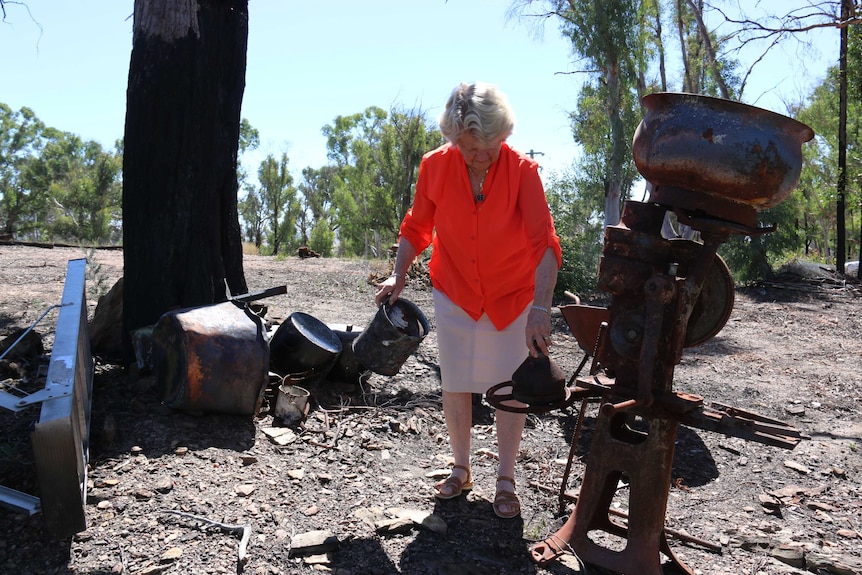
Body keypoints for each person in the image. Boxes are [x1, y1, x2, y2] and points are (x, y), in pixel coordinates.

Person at [375, 81, 562, 519]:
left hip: (511, 294)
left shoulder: (524, 173)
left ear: (504, 134)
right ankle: (461, 468)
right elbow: (417, 227)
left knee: (507, 386)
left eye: (487, 146)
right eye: (468, 147)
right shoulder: (435, 167)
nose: (479, 156)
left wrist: (540, 307)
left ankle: (506, 478)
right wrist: (398, 274)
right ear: (454, 139)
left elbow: (545, 245)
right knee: (456, 381)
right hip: (455, 287)